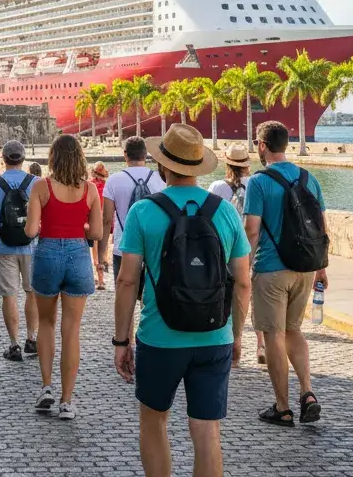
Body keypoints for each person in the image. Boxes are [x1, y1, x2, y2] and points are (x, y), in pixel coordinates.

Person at [115, 124, 252, 477]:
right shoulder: (225, 212)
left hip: (160, 338)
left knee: (154, 421)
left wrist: (121, 340)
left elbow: (127, 279)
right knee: (207, 430)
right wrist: (237, 335)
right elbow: (243, 282)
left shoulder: (143, 213)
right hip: (214, 336)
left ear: (163, 166)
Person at [243, 120, 328, 427]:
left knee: (273, 335)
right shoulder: (309, 178)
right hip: (305, 268)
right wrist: (322, 267)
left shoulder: (258, 181)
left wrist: (243, 267)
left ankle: (283, 407)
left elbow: (252, 229)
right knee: (294, 331)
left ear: (262, 146)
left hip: (271, 269)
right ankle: (307, 392)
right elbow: (321, 227)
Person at [24, 134, 101, 419]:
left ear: (53, 158)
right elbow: (96, 234)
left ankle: (46, 388)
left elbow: (31, 231)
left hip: (47, 255)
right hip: (78, 255)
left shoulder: (40, 187)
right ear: (80, 157)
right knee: (72, 329)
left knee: (46, 322)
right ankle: (67, 401)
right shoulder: (91, 189)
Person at [0, 140, 39, 361]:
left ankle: (14, 345)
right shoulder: (37, 183)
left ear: (3, 159)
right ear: (23, 159)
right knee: (32, 292)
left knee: (9, 295)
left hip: (4, 247)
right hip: (32, 245)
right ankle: (32, 339)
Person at [207, 144, 262, 363]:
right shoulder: (256, 185)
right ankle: (261, 345)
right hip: (254, 247)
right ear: (247, 165)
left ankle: (232, 340)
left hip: (225, 248)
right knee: (255, 295)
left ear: (226, 163)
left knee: (226, 294)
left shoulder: (217, 187)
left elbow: (207, 220)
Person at [104, 136, 166, 284]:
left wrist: (101, 254)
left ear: (125, 154)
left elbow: (106, 220)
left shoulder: (114, 180)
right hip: (154, 246)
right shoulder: (160, 179)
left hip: (123, 246)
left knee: (124, 290)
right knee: (150, 294)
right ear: (145, 154)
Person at [88, 162, 111, 290]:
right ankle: (104, 268)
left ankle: (100, 279)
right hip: (105, 221)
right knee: (103, 248)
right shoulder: (107, 186)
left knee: (95, 251)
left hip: (93, 220)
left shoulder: (89, 185)